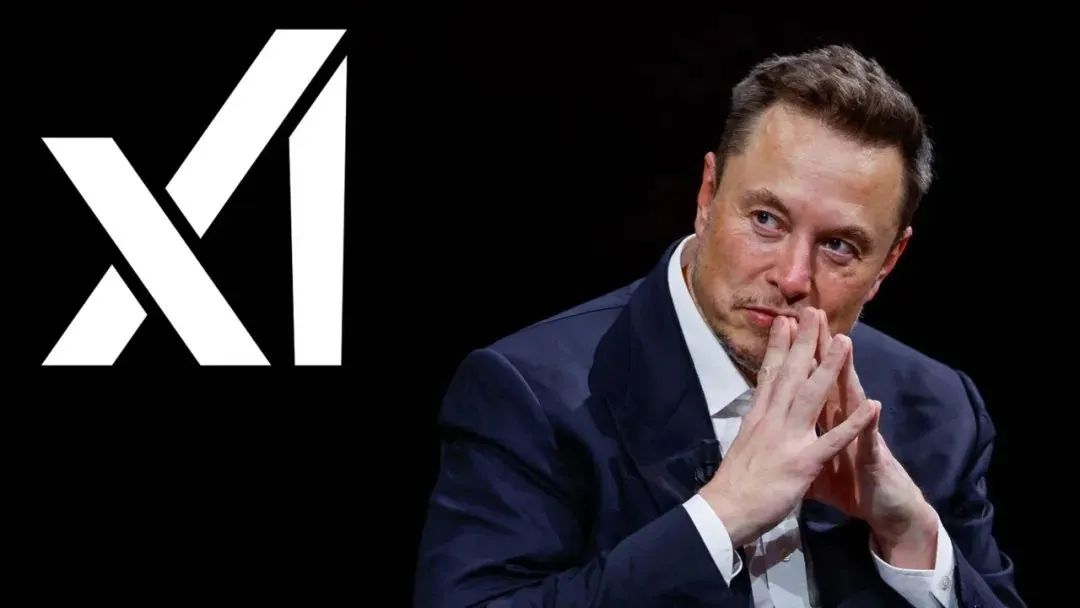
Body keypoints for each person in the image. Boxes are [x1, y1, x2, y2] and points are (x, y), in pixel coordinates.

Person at [413, 45, 1023, 607]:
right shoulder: (531, 395)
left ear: (888, 262)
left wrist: (912, 537)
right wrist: (718, 518)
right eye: (766, 219)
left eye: (839, 245)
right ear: (707, 196)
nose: (792, 277)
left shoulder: (939, 410)